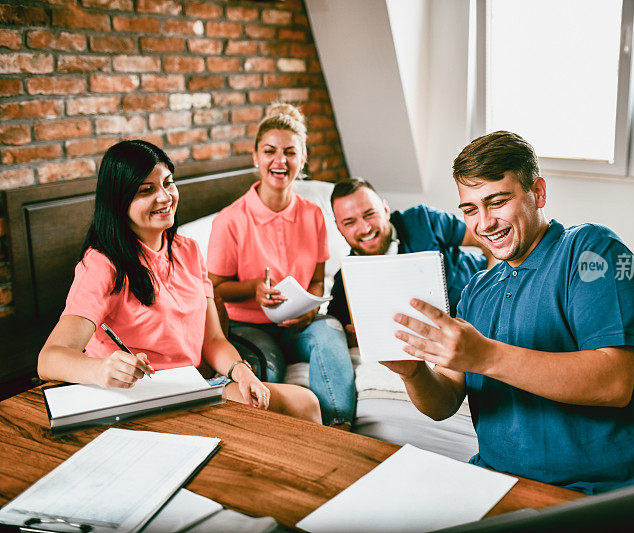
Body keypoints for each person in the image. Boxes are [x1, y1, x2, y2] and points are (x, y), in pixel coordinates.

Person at [386, 131, 634, 494]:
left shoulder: (590, 251)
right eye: (471, 209)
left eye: (498, 202)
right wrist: (414, 374)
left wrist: (484, 356)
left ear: (539, 192)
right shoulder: (476, 291)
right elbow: (443, 402)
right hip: (494, 483)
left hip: (599, 491)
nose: (484, 223)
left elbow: (614, 383)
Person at [38, 140, 321, 423]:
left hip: (190, 390)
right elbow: (49, 359)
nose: (164, 197)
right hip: (137, 397)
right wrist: (101, 370)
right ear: (119, 200)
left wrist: (241, 371)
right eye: (146, 190)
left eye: (168, 183)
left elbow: (212, 341)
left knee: (305, 402)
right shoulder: (101, 264)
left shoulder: (190, 251)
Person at [207, 103, 355, 428]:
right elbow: (214, 288)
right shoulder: (230, 220)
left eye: (290, 152)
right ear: (256, 157)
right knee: (267, 370)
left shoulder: (313, 214)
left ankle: (339, 431)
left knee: (330, 334)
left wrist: (311, 312)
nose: (280, 160)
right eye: (270, 151)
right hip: (249, 326)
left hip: (299, 325)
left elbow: (318, 281)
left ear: (302, 159)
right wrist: (253, 289)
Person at [327, 177, 490, 334]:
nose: (365, 228)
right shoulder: (346, 280)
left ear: (385, 210)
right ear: (339, 228)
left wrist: (497, 285)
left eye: (369, 214)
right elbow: (338, 329)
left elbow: (485, 238)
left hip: (487, 298)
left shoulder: (422, 219)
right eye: (349, 223)